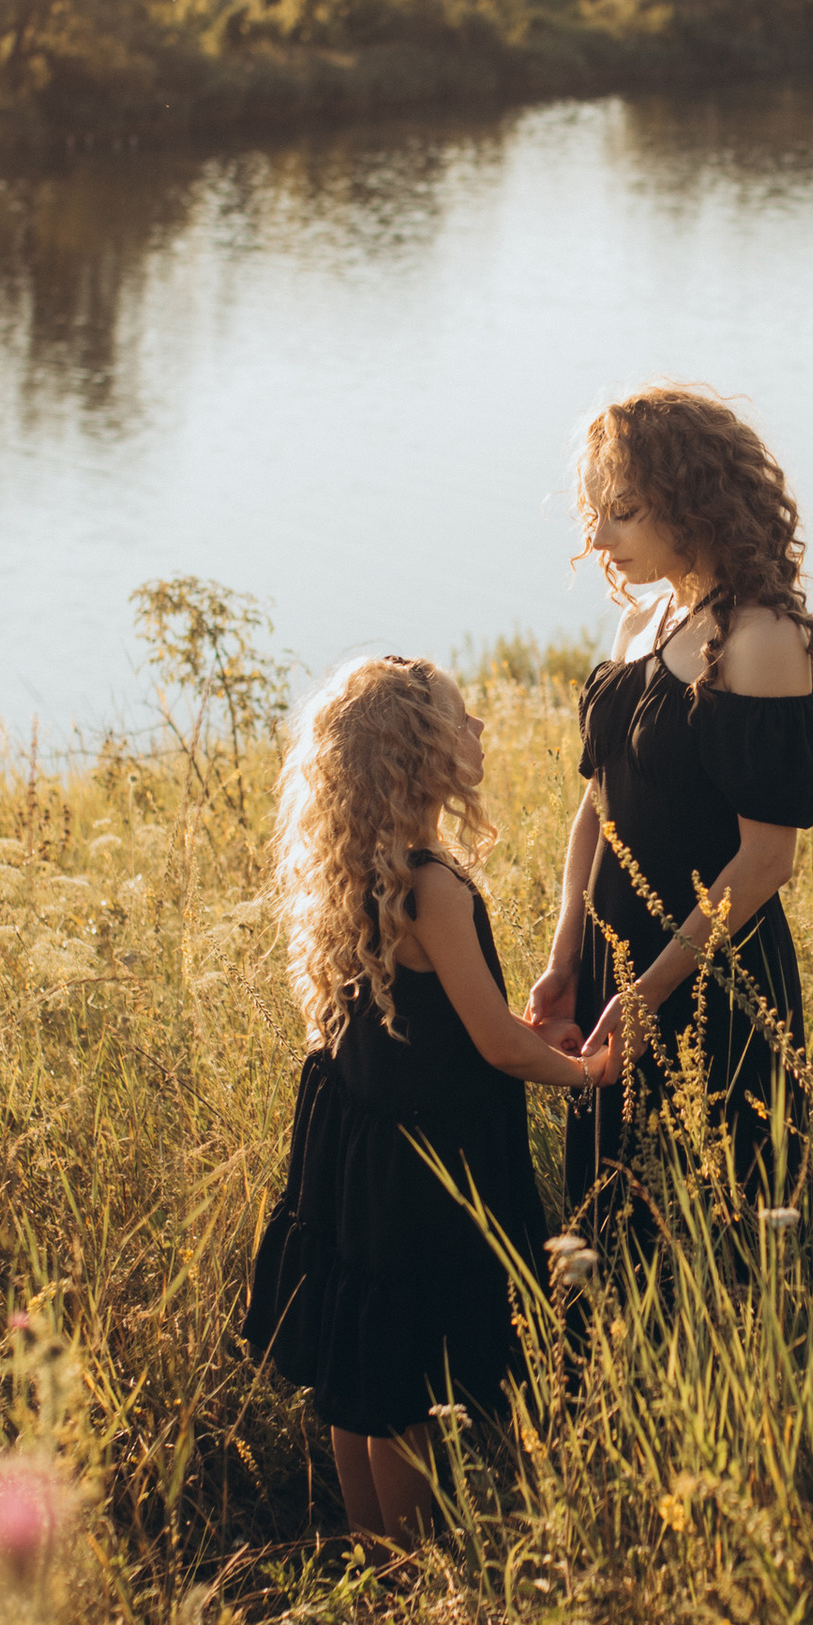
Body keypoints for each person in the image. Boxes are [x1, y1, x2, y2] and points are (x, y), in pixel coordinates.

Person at [245, 653, 609, 1556]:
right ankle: (412, 1571)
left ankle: (373, 1552)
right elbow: (494, 1041)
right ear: (417, 756)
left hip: (359, 1144)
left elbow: (442, 1022)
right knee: (411, 1385)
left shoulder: (354, 867)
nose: (480, 732)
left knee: (365, 1370)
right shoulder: (433, 886)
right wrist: (590, 1071)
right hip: (427, 1161)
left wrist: (534, 1042)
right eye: (462, 722)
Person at [526, 386, 813, 1252]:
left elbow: (767, 860)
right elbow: (599, 806)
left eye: (621, 513)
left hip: (713, 978)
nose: (598, 539)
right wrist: (566, 958)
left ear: (691, 500)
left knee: (723, 1230)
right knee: (611, 1225)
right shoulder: (640, 621)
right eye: (594, 514)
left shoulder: (757, 637)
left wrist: (650, 991)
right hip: (613, 965)